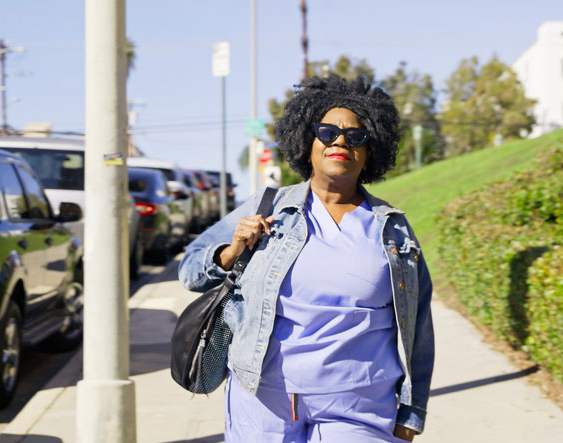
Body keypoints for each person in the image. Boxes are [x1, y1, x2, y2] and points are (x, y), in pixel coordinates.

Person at [179, 75, 434, 442]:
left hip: (359, 404)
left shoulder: (391, 228)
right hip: (264, 400)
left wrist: (412, 411)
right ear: (308, 141)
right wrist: (232, 250)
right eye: (327, 132)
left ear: (369, 152)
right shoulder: (268, 208)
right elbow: (190, 270)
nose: (341, 141)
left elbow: (419, 322)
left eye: (356, 136)